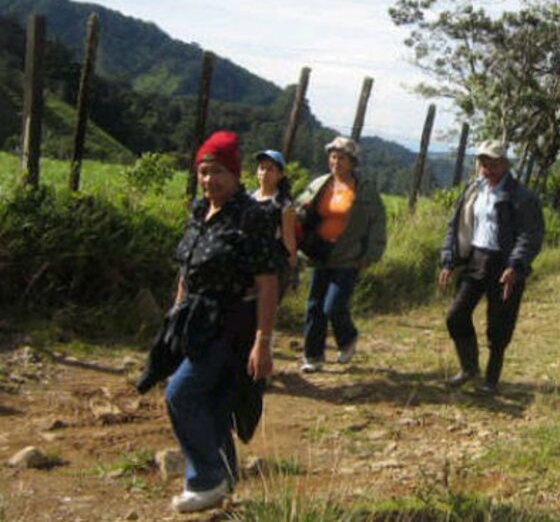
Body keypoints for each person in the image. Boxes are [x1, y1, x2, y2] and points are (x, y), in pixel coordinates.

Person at [157, 131, 278, 513]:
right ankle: (222, 479)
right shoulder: (199, 210)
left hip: (231, 322)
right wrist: (175, 317)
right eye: (204, 172)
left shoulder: (251, 216)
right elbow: (187, 270)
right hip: (194, 319)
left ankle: (206, 478)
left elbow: (268, 282)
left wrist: (264, 340)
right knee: (212, 403)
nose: (210, 180)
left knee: (181, 393)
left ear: (236, 175)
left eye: (219, 172)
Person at [438, 139, 544, 396]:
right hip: (475, 259)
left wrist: (516, 265)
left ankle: (491, 380)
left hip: (505, 265)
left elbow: (530, 235)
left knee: (499, 326)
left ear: (505, 164)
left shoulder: (522, 196)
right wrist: (449, 259)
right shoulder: (474, 189)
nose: (488, 169)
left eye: (494, 164)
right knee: (456, 316)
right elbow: (456, 226)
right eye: (484, 163)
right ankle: (469, 368)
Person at [295, 136, 387, 373]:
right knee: (315, 305)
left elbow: (377, 223)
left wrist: (371, 254)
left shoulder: (365, 190)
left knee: (333, 306)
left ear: (353, 162)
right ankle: (313, 356)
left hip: (349, 256)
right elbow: (297, 212)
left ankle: (347, 338)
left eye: (342, 158)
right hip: (320, 253)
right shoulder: (319, 185)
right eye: (333, 156)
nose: (336, 162)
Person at [251, 150, 297, 299]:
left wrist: (291, 272)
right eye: (261, 168)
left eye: (270, 169)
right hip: (246, 263)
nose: (264, 173)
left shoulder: (283, 205)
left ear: (280, 174)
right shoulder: (248, 198)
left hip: (270, 266)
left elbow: (289, 241)